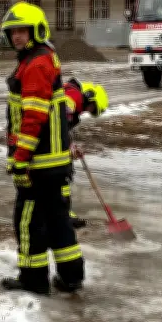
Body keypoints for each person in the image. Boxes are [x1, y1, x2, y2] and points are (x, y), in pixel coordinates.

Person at [0, 1, 84, 295]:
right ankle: (72, 276)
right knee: (59, 220)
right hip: (54, 161)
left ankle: (33, 280)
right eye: (12, 33)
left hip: (38, 163)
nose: (17, 37)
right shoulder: (46, 58)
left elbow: (33, 118)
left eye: (22, 31)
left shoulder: (35, 64)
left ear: (36, 30)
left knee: (28, 221)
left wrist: (20, 159)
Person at [62, 77, 109, 229]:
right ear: (89, 96)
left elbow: (64, 126)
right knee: (62, 174)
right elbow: (60, 119)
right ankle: (62, 214)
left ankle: (62, 212)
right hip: (48, 141)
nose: (88, 111)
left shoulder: (74, 96)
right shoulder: (73, 95)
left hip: (53, 140)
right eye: (92, 108)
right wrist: (68, 146)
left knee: (62, 176)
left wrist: (71, 146)